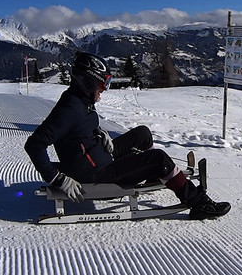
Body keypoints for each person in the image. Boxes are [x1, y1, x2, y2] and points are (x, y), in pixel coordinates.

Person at [25, 52, 230, 220]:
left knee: (142, 133)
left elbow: (77, 132)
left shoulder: (79, 100)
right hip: (96, 174)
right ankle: (197, 203)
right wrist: (58, 179)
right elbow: (34, 144)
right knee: (158, 158)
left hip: (99, 158)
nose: (104, 90)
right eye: (101, 84)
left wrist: (98, 134)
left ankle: (153, 175)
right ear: (86, 82)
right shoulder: (70, 108)